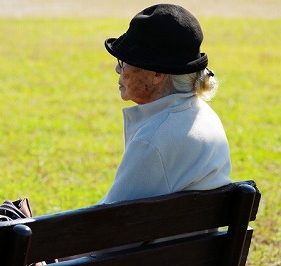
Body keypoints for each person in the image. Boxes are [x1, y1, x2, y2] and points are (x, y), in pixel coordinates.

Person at [98, 4, 232, 205]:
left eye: (124, 61)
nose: (118, 68)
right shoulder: (205, 115)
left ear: (157, 74)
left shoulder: (152, 141)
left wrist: (33, 228)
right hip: (190, 236)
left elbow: (105, 223)